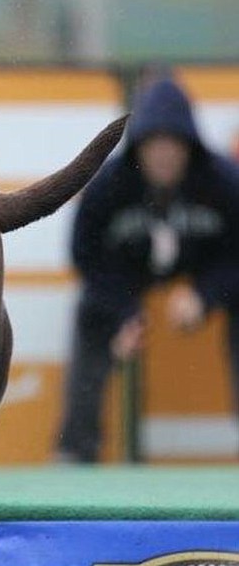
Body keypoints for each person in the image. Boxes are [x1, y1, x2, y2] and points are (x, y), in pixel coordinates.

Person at [57, 75, 239, 463]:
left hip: (203, 270)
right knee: (91, 313)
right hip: (127, 276)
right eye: (154, 144)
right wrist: (123, 312)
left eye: (174, 144)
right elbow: (84, 253)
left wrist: (205, 295)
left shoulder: (222, 181)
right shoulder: (109, 184)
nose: (164, 155)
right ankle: (75, 451)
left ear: (190, 145)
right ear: (138, 147)